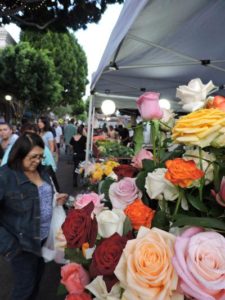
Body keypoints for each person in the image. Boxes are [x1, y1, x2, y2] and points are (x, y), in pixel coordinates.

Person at [0, 132, 68, 300]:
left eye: (40, 156)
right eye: (32, 157)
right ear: (19, 154)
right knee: (24, 289)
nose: (37, 161)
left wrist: (55, 200)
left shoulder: (43, 171)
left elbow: (42, 196)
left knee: (36, 283)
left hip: (43, 240)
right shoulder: (5, 176)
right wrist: (9, 247)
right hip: (22, 245)